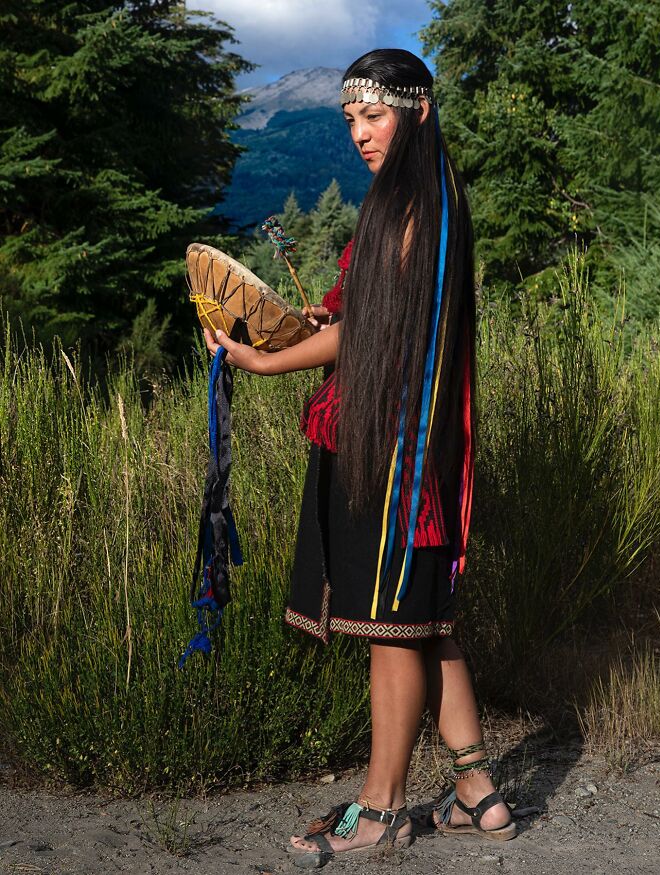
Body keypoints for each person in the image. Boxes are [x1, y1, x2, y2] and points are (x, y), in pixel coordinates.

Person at [204, 48, 516, 864]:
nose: (357, 133)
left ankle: (379, 809)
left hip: (395, 451)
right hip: (406, 438)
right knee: (422, 617)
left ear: (415, 108)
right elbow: (373, 311)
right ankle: (478, 789)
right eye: (349, 118)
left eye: (371, 115)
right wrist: (324, 312)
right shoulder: (426, 194)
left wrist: (267, 358)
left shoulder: (413, 200)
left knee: (392, 628)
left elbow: (374, 332)